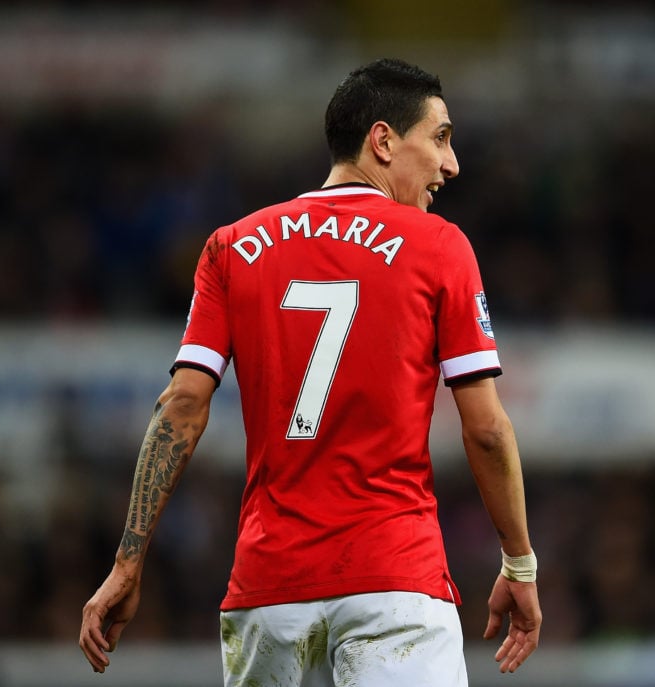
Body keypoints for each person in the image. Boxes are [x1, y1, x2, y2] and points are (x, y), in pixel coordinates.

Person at [79, 57, 541, 685]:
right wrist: (518, 563)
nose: (450, 163)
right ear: (382, 140)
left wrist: (128, 562)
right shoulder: (439, 247)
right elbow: (485, 429)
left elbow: (181, 405)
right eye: (439, 137)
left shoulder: (232, 247)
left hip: (269, 590)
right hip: (394, 582)